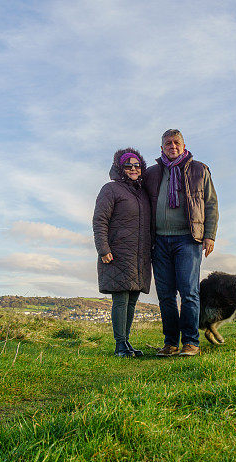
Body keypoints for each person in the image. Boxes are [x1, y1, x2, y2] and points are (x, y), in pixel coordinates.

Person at [143, 129, 218, 357]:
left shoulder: (199, 170)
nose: (172, 146)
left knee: (189, 293)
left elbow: (211, 204)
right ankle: (170, 343)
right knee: (165, 295)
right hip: (159, 241)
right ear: (162, 148)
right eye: (168, 143)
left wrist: (210, 235)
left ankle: (191, 342)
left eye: (176, 143)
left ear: (183, 146)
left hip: (188, 239)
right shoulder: (152, 173)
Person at [92, 148, 152, 357]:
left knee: (133, 299)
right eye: (128, 165)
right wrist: (103, 248)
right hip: (117, 252)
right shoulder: (111, 189)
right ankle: (119, 345)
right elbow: (100, 220)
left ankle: (126, 343)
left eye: (137, 165)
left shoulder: (142, 193)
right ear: (120, 168)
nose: (133, 169)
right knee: (121, 299)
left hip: (139, 255)